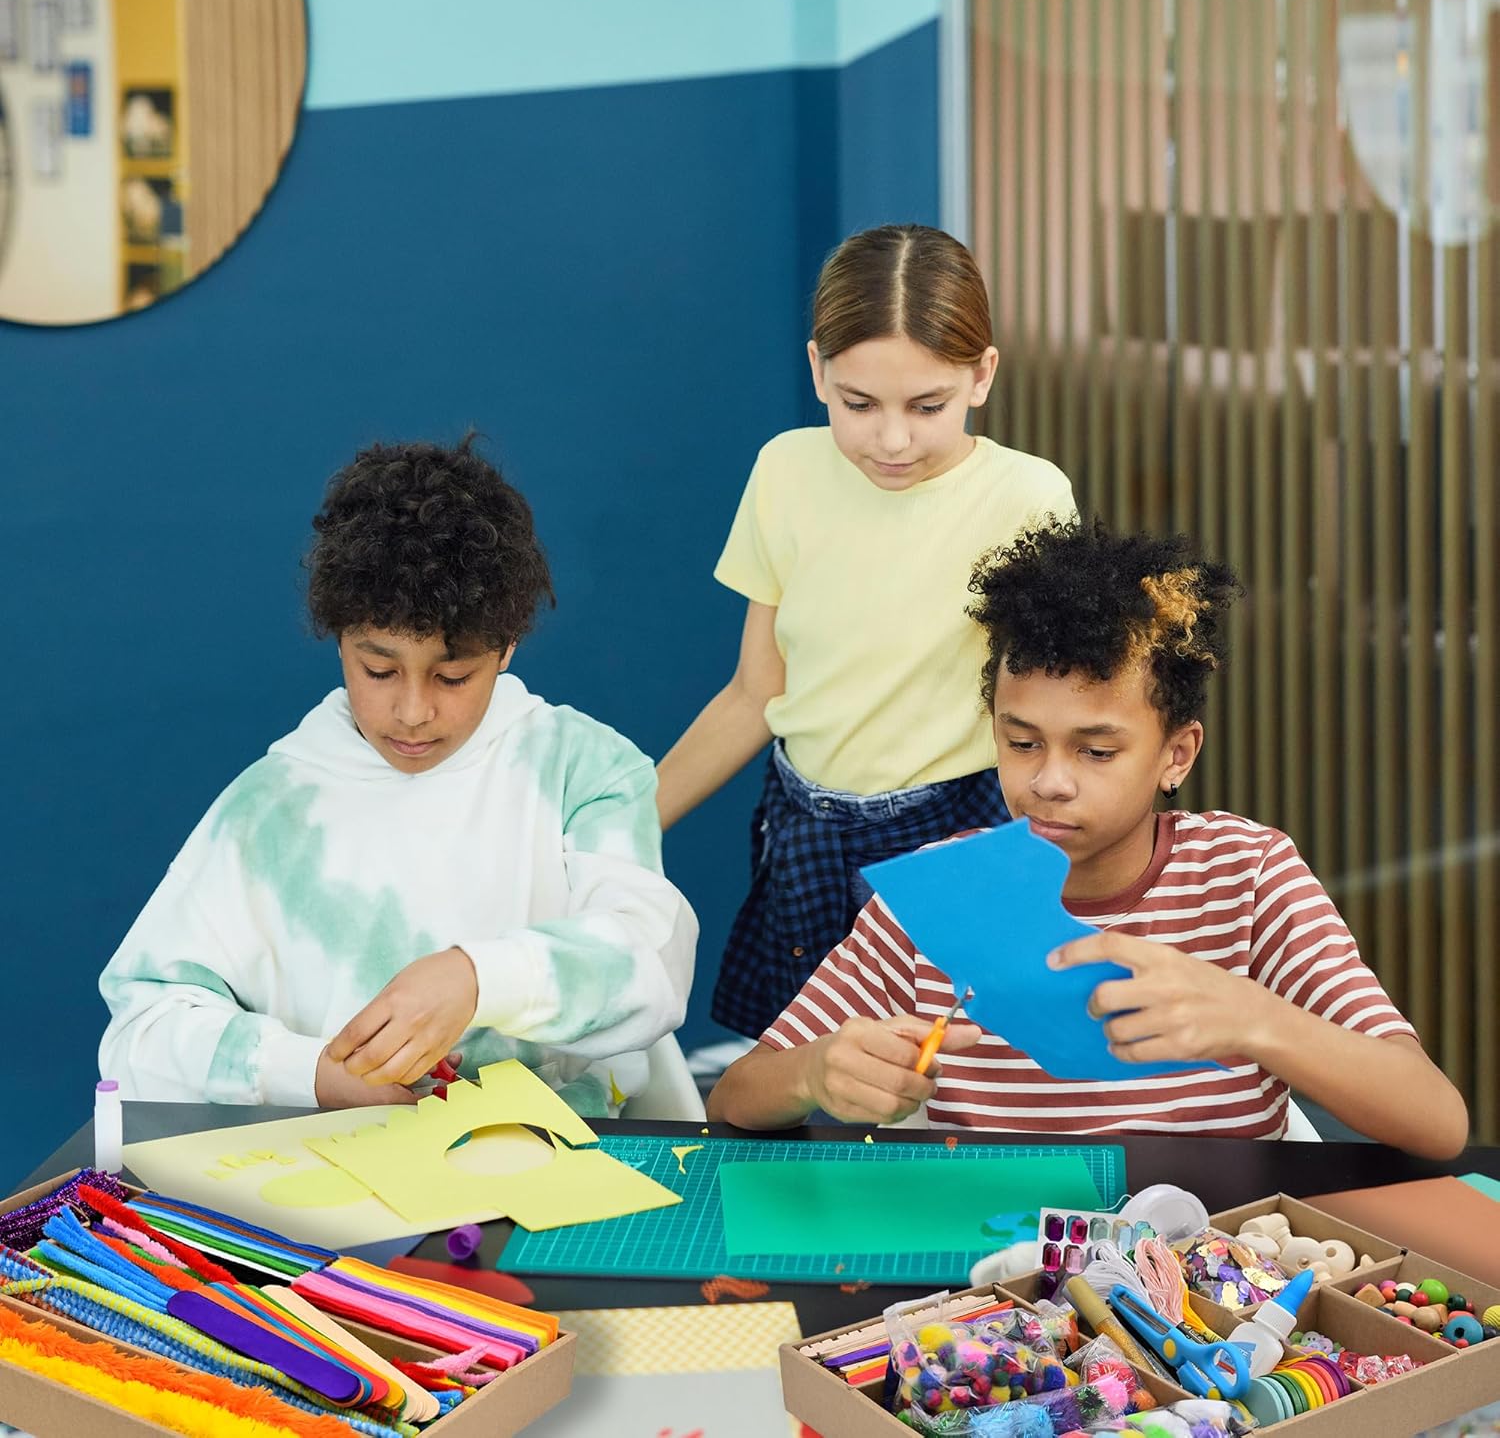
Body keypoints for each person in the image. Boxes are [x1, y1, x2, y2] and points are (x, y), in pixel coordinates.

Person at [707, 522, 1468, 1158]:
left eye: (1097, 752)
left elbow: (1436, 1121)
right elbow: (736, 1097)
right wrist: (815, 1072)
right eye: (1022, 743)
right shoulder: (939, 894)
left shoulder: (1247, 876)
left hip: (1205, 1254)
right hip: (993, 1262)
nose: (1050, 781)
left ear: (1176, 755)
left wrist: (1254, 1018)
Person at [100, 435, 696, 1114]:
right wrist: (310, 1073)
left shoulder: (580, 770)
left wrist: (479, 979)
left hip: (561, 1146)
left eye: (453, 675)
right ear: (339, 639)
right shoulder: (270, 807)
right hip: (337, 1161)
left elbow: (651, 960)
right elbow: (143, 1029)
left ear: (507, 646)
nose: (413, 712)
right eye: (379, 670)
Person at [657, 224, 1076, 1041]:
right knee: (808, 1065)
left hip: (960, 830)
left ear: (982, 375)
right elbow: (754, 693)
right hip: (804, 828)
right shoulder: (784, 470)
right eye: (858, 404)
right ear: (818, 369)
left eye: (927, 406)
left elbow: (1053, 713)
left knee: (960, 1066)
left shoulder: (1028, 497)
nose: (892, 439)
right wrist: (623, 828)